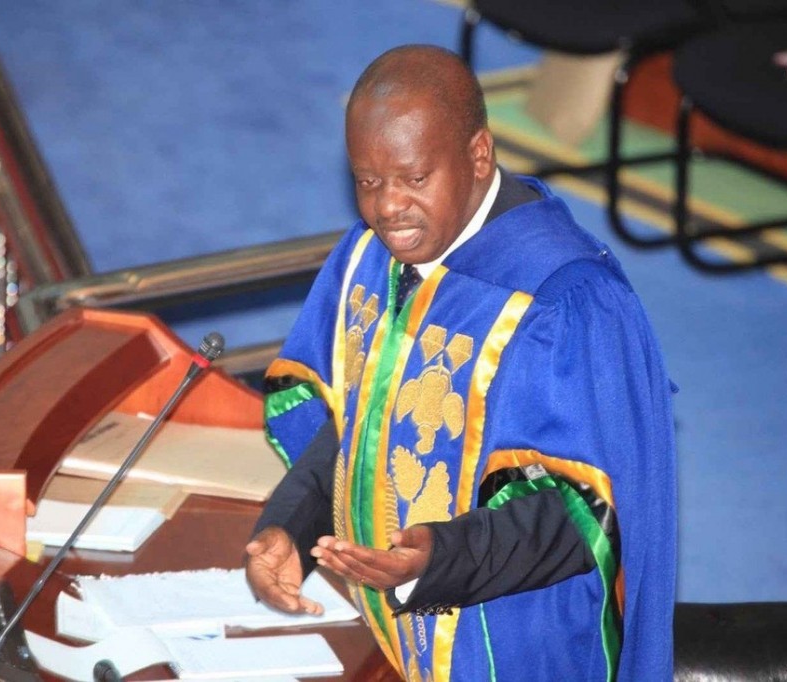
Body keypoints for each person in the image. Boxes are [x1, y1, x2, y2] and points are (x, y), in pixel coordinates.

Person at [244, 44, 676, 682]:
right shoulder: (370, 258)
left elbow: (578, 514)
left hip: (511, 644)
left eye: (415, 178)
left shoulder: (560, 301)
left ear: (478, 155)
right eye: (368, 181)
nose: (388, 207)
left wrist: (437, 560)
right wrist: (290, 528)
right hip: (391, 622)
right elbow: (356, 428)